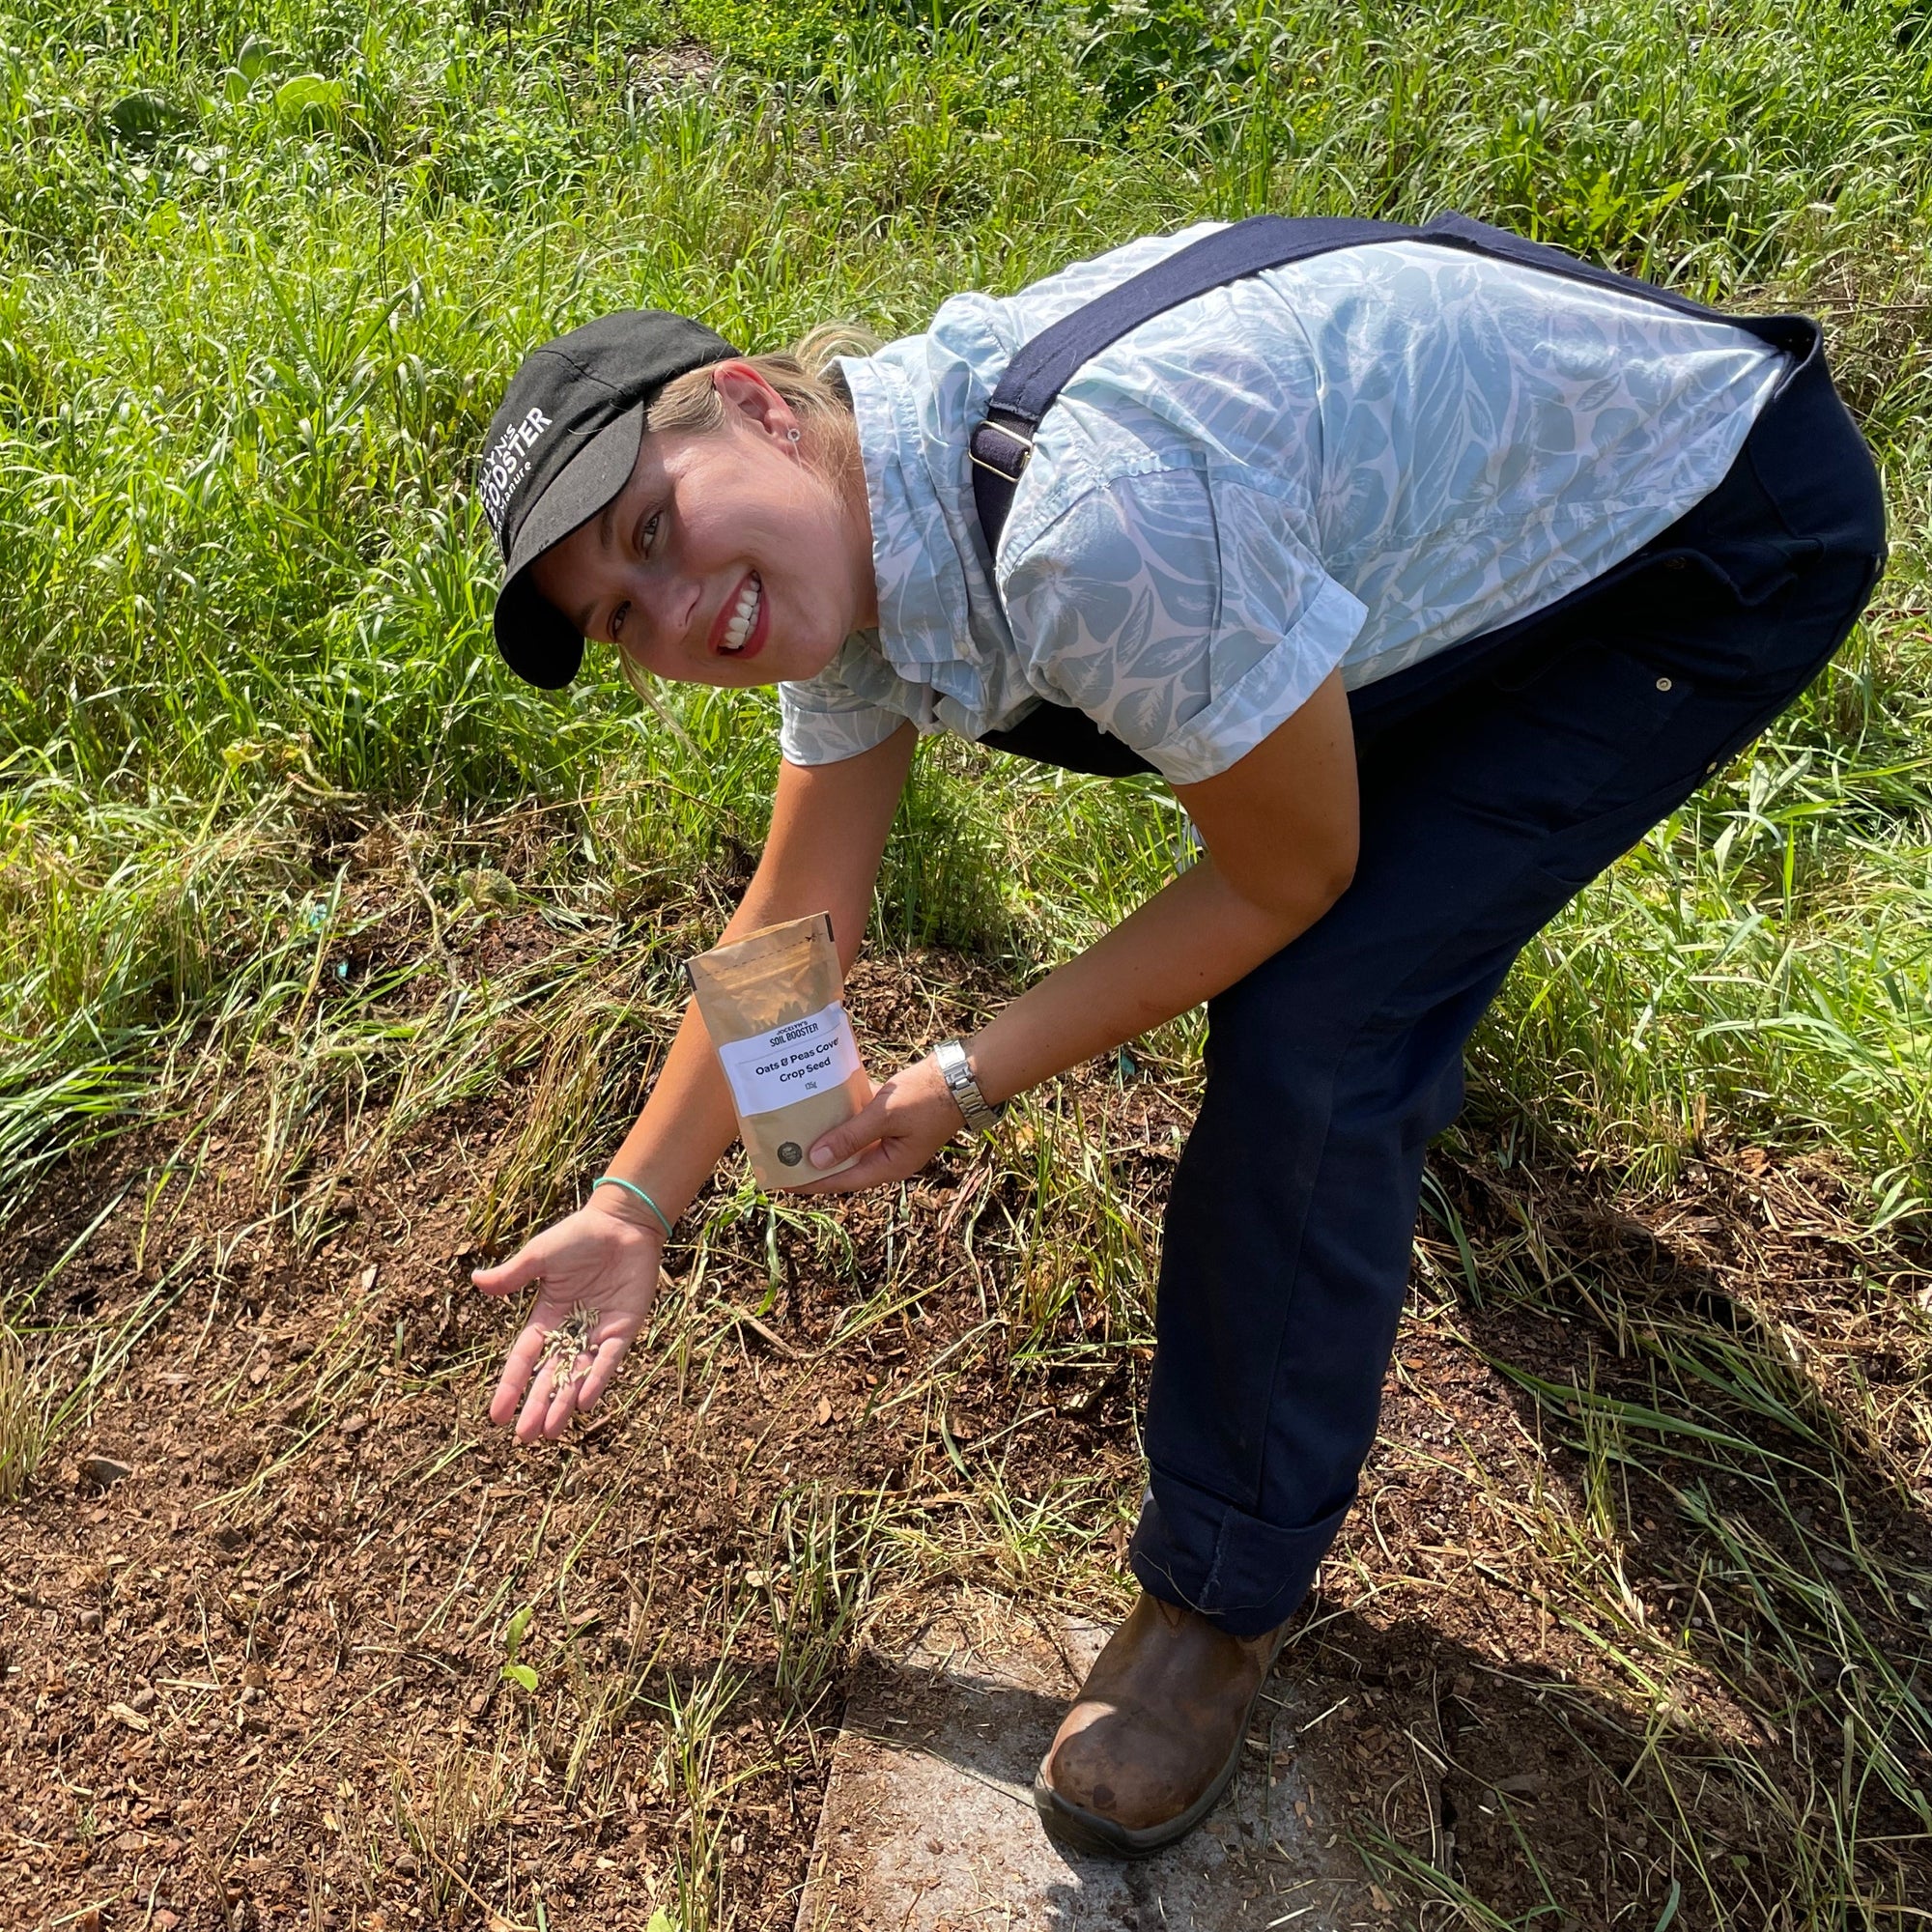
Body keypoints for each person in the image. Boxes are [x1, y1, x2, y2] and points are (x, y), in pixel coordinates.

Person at [466, 213, 1885, 1859]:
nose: (671, 605)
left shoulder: (1086, 530)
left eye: (653, 527)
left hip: (1710, 532)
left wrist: (958, 1076)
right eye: (621, 615)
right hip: (1484, 513)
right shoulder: (853, 535)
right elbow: (795, 924)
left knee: (1322, 1023)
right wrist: (638, 1206)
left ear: (758, 407)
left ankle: (1216, 1595)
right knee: (1378, 912)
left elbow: (1288, 873)